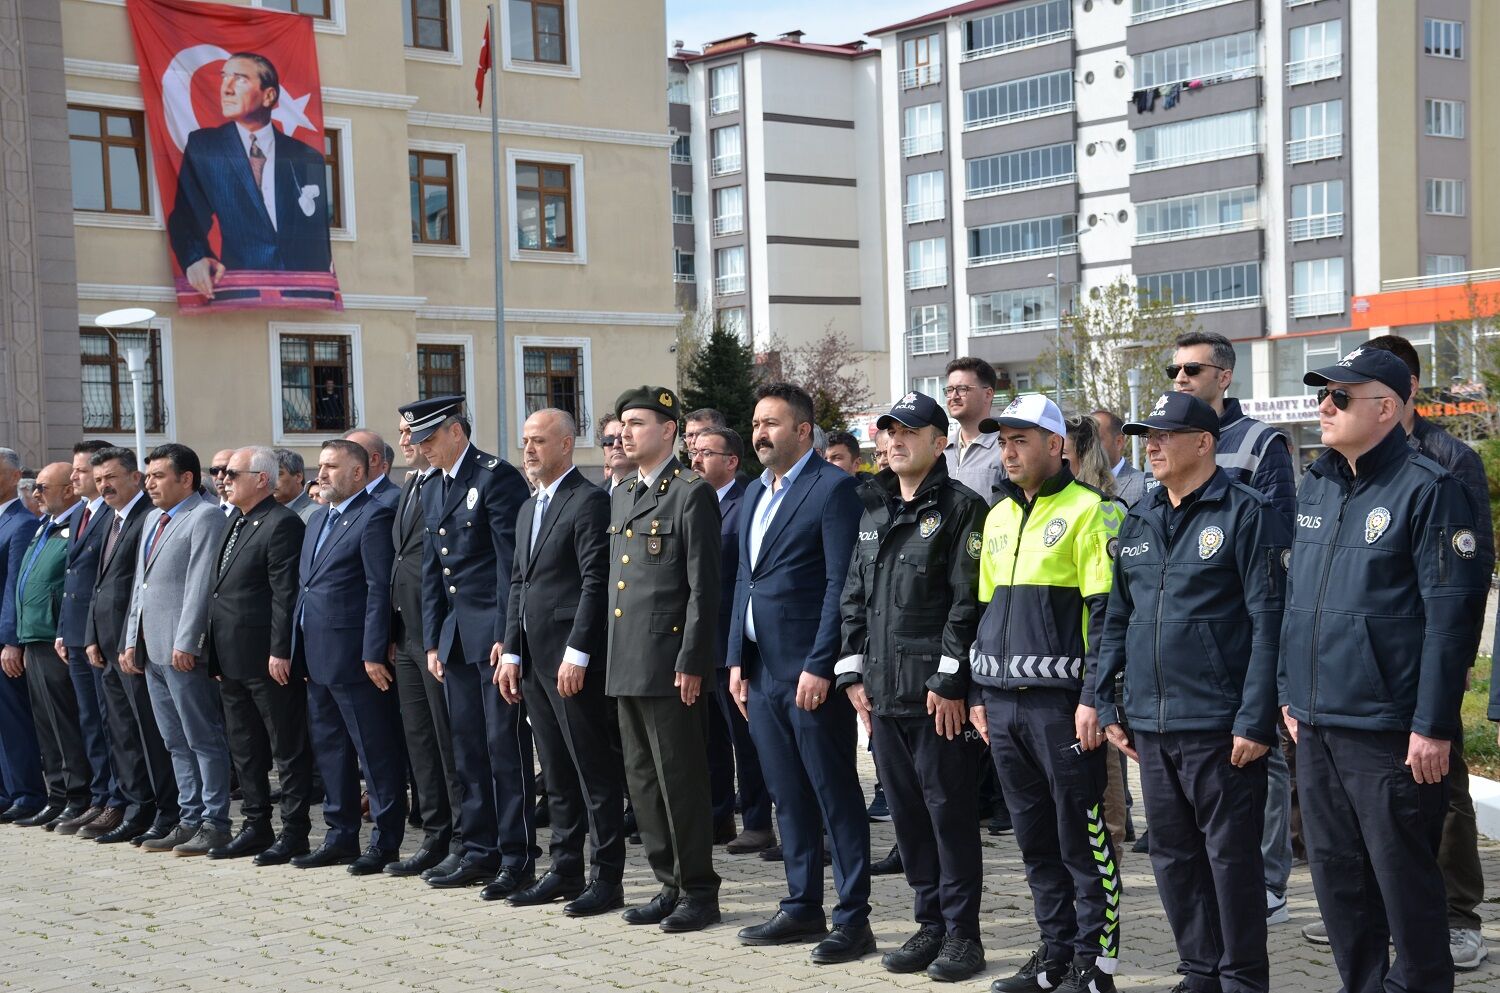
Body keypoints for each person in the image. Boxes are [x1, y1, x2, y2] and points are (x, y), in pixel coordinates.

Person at [1280, 346, 1488, 993]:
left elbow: (1451, 617)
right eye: (1322, 394)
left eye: (1340, 396)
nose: (1324, 406)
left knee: (1406, 890)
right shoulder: (1316, 483)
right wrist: (1289, 692)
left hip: (1388, 732)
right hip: (1316, 725)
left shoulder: (1430, 488)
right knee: (1340, 886)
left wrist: (1433, 724)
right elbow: (1296, 600)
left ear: (1386, 407)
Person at [1095, 392, 1290, 993]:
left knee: (1231, 862)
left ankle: (1242, 979)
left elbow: (1269, 624)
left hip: (1220, 725)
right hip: (1152, 725)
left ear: (1203, 443)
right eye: (1145, 436)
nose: (1150, 446)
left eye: (1163, 435)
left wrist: (1254, 719)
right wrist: (1107, 700)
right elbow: (1117, 618)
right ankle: (1201, 972)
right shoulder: (1140, 517)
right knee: (1174, 858)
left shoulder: (1246, 513)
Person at [973, 393, 1123, 993]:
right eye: (1002, 441)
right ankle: (1054, 954)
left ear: (1056, 445)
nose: (1008, 453)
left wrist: (1093, 698)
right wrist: (978, 694)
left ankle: (1095, 964)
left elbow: (1107, 617)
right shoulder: (997, 517)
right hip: (1003, 704)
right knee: (1035, 842)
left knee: (1082, 839)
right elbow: (985, 613)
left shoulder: (1093, 511)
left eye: (1021, 441)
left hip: (1063, 707)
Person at [837, 391, 988, 981]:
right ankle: (929, 923)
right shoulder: (873, 508)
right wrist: (852, 673)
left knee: (949, 816)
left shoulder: (962, 508)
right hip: (881, 694)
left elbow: (967, 603)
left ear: (939, 441)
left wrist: (950, 681)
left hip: (933, 698)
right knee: (907, 817)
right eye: (889, 431)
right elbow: (854, 597)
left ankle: (963, 934)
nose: (894, 440)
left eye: (909, 431)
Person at [1361, 333, 1493, 970]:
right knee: (1380, 792)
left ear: (1403, 389)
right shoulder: (1356, 460)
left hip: (1427, 655)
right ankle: (1387, 915)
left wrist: (1460, 657)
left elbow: (1471, 569)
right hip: (1368, 665)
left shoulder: (1450, 460)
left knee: (1444, 784)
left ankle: (1460, 916)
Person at [729, 383, 871, 964]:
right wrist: (736, 658)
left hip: (810, 673)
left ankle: (853, 918)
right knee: (787, 795)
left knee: (834, 794)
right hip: (760, 671)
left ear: (804, 430)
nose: (760, 433)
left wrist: (821, 664)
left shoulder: (833, 488)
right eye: (755, 423)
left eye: (772, 423)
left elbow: (842, 584)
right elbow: (745, 578)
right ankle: (802, 905)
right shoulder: (754, 492)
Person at [1170, 330, 1295, 926]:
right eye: (1174, 370)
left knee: (1261, 751)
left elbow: (1278, 530)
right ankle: (1216, 878)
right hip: (1187, 636)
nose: (1180, 378)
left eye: (1192, 370)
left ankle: (1269, 881)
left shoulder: (1260, 441)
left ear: (1224, 376)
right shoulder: (1166, 436)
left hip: (1244, 625)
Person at [405, 395, 537, 898]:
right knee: (467, 750)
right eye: (418, 440)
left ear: (456, 432)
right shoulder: (434, 484)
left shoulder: (494, 478)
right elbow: (435, 571)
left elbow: (510, 566)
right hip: (457, 639)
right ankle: (479, 850)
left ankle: (516, 856)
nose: (422, 448)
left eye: (429, 438)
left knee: (504, 749)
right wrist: (434, 639)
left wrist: (508, 636)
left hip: (492, 637)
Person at [498, 408, 627, 916]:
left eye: (538, 441)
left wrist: (578, 652)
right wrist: (512, 649)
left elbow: (596, 581)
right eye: (525, 440)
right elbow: (518, 582)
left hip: (572, 662)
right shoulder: (529, 507)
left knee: (593, 770)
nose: (528, 450)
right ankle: (565, 868)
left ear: (567, 444)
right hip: (534, 660)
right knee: (554, 771)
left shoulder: (588, 501)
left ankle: (607, 877)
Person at [604, 385, 722, 931]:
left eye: (637, 423)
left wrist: (692, 660)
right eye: (623, 424)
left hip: (670, 662)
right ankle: (667, 884)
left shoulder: (690, 493)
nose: (625, 433)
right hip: (626, 659)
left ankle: (698, 889)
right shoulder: (624, 491)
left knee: (680, 779)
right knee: (643, 780)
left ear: (669, 430)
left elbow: (704, 587)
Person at [291, 439, 405, 874]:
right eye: (320, 466)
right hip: (316, 656)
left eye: (331, 467)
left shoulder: (373, 516)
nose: (321, 474)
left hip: (356, 660)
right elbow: (306, 588)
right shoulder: (318, 519)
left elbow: (378, 589)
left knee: (374, 753)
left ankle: (385, 842)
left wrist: (374, 651)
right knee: (331, 751)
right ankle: (340, 837)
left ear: (358, 473)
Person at [122, 444, 232, 856]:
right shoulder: (153, 519)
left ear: (186, 479)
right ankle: (189, 819)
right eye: (148, 476)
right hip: (152, 648)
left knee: (202, 736)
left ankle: (215, 821)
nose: (149, 483)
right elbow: (142, 585)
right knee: (174, 739)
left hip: (182, 650)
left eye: (158, 476)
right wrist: (131, 639)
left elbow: (200, 584)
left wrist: (188, 641)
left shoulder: (204, 516)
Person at [205, 446, 313, 864]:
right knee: (245, 747)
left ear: (261, 479)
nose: (224, 479)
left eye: (232, 473)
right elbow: (220, 590)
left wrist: (280, 649)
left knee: (286, 747)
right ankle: (255, 826)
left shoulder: (281, 523)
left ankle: (295, 832)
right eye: (222, 473)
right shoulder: (234, 519)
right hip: (231, 656)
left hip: (267, 659)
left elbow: (285, 594)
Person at [167, 52, 333, 300]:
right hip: (241, 291)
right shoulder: (207, 147)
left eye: (240, 79)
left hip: (304, 292)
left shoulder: (306, 156)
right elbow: (186, 215)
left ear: (269, 96)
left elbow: (317, 231)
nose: (226, 89)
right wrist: (195, 257)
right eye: (224, 77)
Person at [83, 447, 180, 845]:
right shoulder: (112, 518)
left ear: (134, 478)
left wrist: (131, 642)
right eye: (99, 480)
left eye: (111, 478)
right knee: (121, 732)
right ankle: (135, 806)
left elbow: (141, 588)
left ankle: (162, 810)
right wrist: (91, 635)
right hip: (108, 647)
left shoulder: (147, 518)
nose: (104, 486)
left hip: (135, 649)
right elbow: (100, 584)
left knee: (149, 735)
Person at [384, 419, 463, 880]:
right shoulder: (412, 485)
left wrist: (437, 636)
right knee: (421, 742)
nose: (406, 441)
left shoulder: (447, 485)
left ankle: (463, 839)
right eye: (402, 433)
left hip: (438, 634)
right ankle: (435, 836)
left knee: (449, 742)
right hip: (407, 633)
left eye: (415, 433)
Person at [691, 425, 774, 856]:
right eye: (694, 451)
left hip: (734, 642)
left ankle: (758, 822)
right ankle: (718, 816)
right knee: (711, 741)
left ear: (731, 461)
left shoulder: (745, 505)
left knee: (746, 739)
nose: (696, 459)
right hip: (701, 644)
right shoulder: (694, 502)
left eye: (707, 452)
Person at [2, 462, 94, 829]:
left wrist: (14, 638)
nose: (35, 493)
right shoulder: (45, 526)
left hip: (54, 638)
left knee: (65, 722)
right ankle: (58, 796)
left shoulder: (71, 526)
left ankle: (77, 796)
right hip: (34, 637)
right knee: (46, 725)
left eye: (42, 486)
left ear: (68, 490)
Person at [1062, 417, 1135, 850]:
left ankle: (1108, 864)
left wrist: (1099, 685)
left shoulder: (1103, 510)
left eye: (1063, 455)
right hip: (1056, 671)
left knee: (1102, 781)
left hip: (1094, 671)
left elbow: (1109, 609)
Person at [52, 440, 120, 836]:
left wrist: (89, 633)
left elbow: (102, 582)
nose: (75, 477)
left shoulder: (111, 515)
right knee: (90, 721)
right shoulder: (81, 512)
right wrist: (64, 630)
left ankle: (115, 800)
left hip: (99, 635)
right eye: (76, 470)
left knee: (110, 723)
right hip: (75, 633)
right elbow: (72, 579)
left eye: (82, 471)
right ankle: (99, 797)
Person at [0, 447, 44, 825]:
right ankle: (5, 792)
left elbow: (15, 587)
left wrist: (11, 641)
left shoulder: (21, 522)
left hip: (4, 642)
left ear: (15, 477)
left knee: (13, 720)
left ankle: (27, 793)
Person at [942, 357, 1004, 505]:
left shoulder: (1005, 448)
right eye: (949, 390)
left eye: (962, 389)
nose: (953, 397)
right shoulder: (940, 449)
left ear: (988, 394)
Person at [1091, 411, 1144, 508]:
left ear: (1119, 442)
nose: (1089, 446)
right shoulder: (1077, 484)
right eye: (1086, 440)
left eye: (1096, 440)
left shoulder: (1142, 485)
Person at [344, 429, 400, 508]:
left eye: (350, 455)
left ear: (374, 460)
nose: (343, 461)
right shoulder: (342, 496)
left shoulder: (393, 500)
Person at [273, 448, 317, 523]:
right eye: (269, 475)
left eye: (278, 474)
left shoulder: (315, 514)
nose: (271, 480)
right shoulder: (263, 512)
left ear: (298, 477)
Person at [600, 416, 634, 493]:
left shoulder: (652, 487)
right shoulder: (595, 494)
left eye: (622, 438)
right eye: (609, 440)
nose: (616, 445)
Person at [208, 450, 236, 516]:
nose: (220, 476)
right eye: (214, 471)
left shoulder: (248, 511)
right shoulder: (208, 511)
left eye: (226, 470)